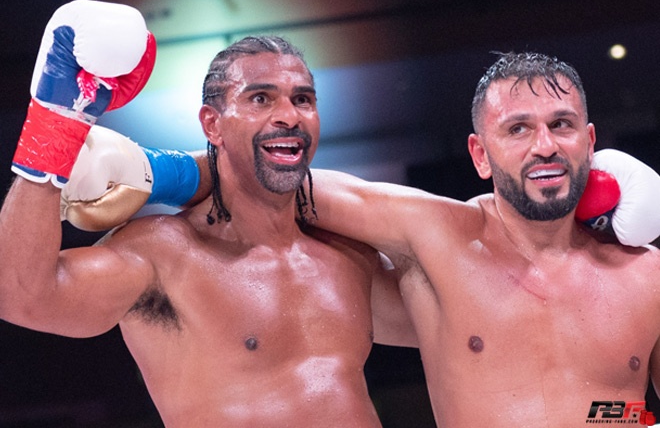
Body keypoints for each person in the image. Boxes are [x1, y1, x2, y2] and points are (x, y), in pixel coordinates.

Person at [69, 51, 660, 427]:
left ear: (589, 139)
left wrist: (632, 421)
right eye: (519, 129)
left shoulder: (647, 274)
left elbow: (624, 407)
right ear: (480, 154)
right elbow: (279, 178)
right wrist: (155, 171)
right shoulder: (440, 237)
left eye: (560, 127)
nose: (545, 146)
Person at [0, 2, 415, 427]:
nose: (289, 116)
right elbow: (22, 296)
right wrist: (55, 124)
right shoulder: (163, 253)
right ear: (212, 126)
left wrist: (171, 174)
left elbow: (458, 319)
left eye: (303, 99)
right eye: (261, 98)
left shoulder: (349, 258)